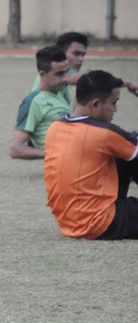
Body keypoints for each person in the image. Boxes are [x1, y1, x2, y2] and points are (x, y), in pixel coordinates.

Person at [43, 70, 138, 240]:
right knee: (132, 144)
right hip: (101, 222)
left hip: (69, 221)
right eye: (114, 103)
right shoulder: (104, 133)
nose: (115, 110)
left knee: (128, 147)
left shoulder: (54, 128)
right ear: (95, 105)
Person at [29, 32, 138, 105]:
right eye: (76, 54)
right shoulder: (62, 74)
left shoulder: (61, 78)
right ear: (61, 53)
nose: (81, 59)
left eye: (83, 54)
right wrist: (128, 84)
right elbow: (93, 79)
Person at [10, 46, 72, 160]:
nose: (65, 78)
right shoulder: (33, 102)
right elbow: (15, 149)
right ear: (42, 74)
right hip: (64, 166)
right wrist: (52, 155)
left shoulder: (59, 94)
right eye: (59, 74)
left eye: (66, 72)